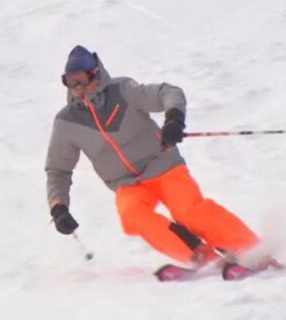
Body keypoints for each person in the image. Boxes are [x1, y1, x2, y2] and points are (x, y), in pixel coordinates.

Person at [45, 45, 260, 269]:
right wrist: (58, 207)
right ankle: (199, 255)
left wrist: (174, 119)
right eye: (70, 82)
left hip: (163, 166)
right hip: (126, 183)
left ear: (95, 75)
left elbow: (168, 92)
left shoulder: (122, 91)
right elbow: (58, 170)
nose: (77, 88)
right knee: (132, 216)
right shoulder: (67, 122)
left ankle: (250, 247)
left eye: (81, 80)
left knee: (188, 212)